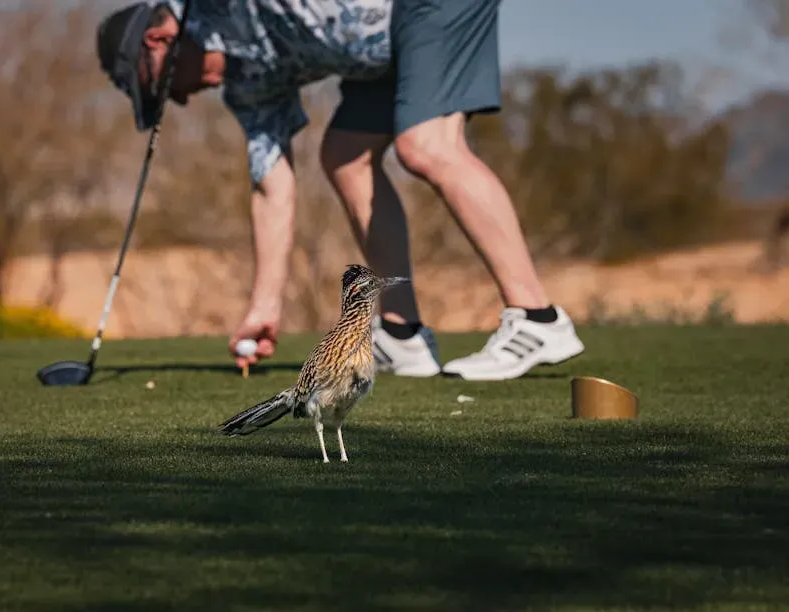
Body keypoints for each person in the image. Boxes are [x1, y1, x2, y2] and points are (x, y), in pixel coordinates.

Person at [96, 0, 585, 381]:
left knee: (427, 146)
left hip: (425, 9)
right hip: (383, 48)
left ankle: (536, 318)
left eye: (161, 86)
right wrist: (266, 306)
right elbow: (272, 186)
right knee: (345, 154)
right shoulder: (247, 86)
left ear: (160, 39)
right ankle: (401, 333)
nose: (176, 100)